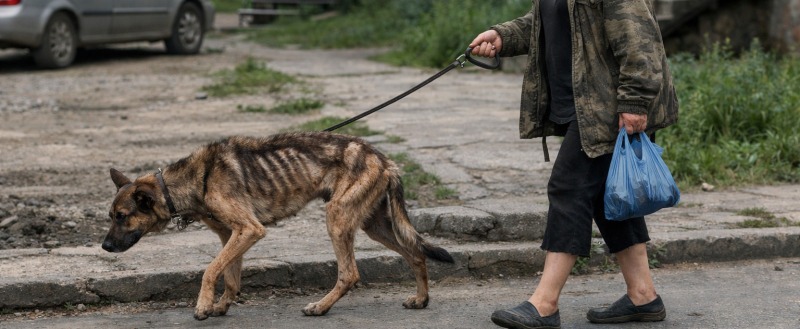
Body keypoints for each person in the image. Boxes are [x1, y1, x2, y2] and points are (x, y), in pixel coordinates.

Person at [469, 0, 679, 328]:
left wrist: (635, 100)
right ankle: (643, 295)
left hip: (607, 104)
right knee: (602, 194)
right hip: (582, 102)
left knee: (568, 188)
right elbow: (549, 19)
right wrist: (503, 36)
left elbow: (639, 37)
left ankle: (545, 304)